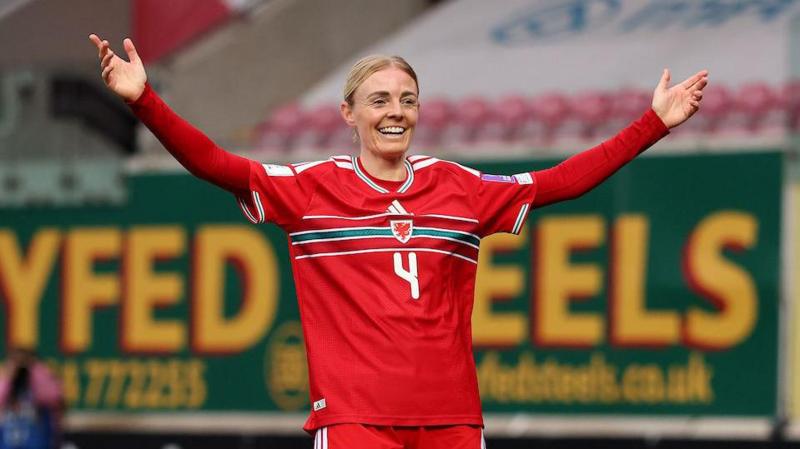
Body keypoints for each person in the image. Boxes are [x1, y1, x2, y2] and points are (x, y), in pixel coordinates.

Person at [88, 34, 707, 449]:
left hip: (452, 417)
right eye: (379, 99)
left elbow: (561, 183)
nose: (395, 111)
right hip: (356, 417)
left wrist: (652, 124)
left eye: (407, 100)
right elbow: (216, 164)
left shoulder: (459, 186)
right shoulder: (309, 189)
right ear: (348, 113)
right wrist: (144, 100)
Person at [0, 348, 64, 449]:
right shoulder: (6, 380)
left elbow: (53, 396)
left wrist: (34, 369)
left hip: (37, 441)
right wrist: (9, 375)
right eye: (15, 360)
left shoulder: (38, 378)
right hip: (7, 442)